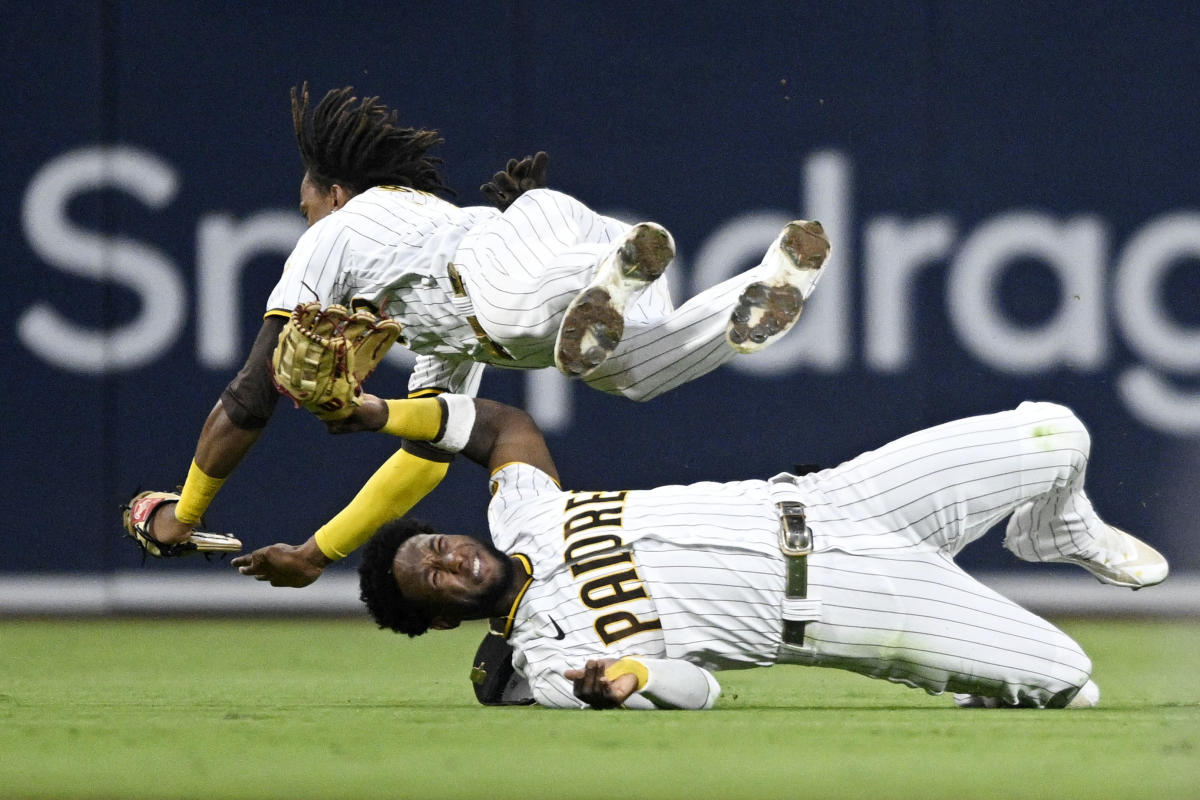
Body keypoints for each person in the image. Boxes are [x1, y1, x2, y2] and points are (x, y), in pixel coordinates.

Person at [135, 83, 830, 585]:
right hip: (556, 247)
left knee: (510, 313)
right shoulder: (412, 283)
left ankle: (612, 274)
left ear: (334, 194)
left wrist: (184, 511)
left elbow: (250, 393)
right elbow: (430, 449)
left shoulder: (342, 231)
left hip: (519, 261)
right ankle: (754, 289)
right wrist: (317, 553)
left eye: (306, 206)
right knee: (634, 373)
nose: (306, 220)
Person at [274, 391, 1171, 709]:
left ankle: (1056, 530)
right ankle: (984, 671)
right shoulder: (551, 658)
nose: (446, 559)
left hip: (835, 498)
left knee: (1056, 433)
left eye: (433, 542)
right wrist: (627, 682)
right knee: (1066, 678)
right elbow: (699, 690)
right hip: (843, 611)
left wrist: (376, 414)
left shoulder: (523, 516)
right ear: (438, 617)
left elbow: (502, 422)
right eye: (429, 578)